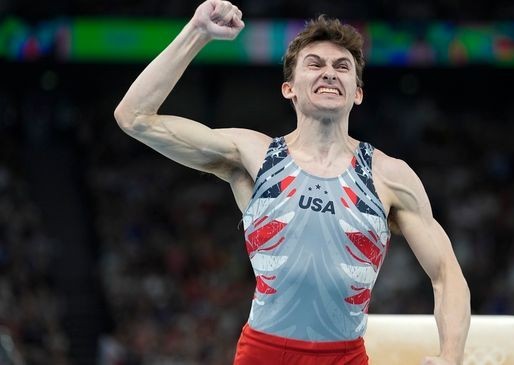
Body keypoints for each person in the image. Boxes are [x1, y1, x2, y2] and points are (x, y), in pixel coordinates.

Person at [113, 0, 471, 363]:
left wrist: (451, 357)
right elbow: (134, 118)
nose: (329, 73)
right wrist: (197, 32)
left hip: (343, 357)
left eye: (342, 66)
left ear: (357, 93)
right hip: (263, 353)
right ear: (289, 89)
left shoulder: (390, 175)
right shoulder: (252, 155)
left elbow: (446, 274)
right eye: (315, 64)